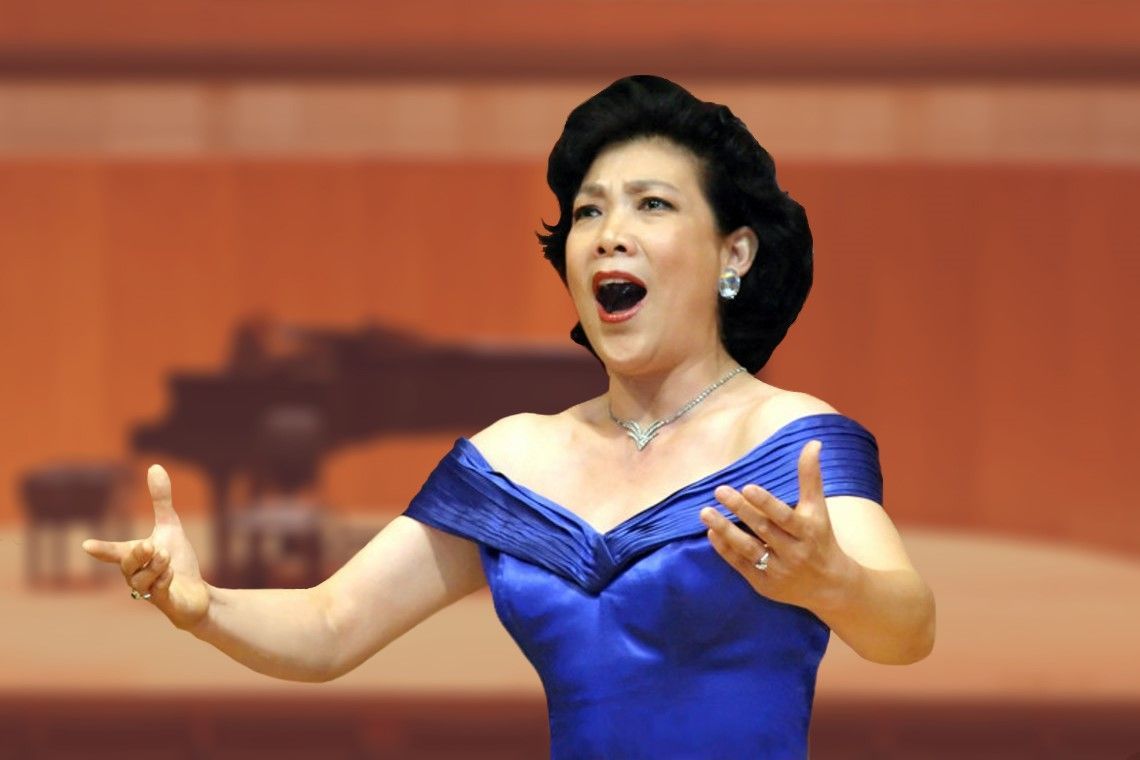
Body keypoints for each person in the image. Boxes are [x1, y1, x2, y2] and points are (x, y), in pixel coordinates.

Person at [83, 75, 935, 758]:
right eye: (590, 211)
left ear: (733, 253)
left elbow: (908, 628)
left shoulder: (788, 439)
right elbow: (331, 626)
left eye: (652, 205)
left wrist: (834, 583)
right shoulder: (515, 461)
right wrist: (203, 606)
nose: (609, 233)